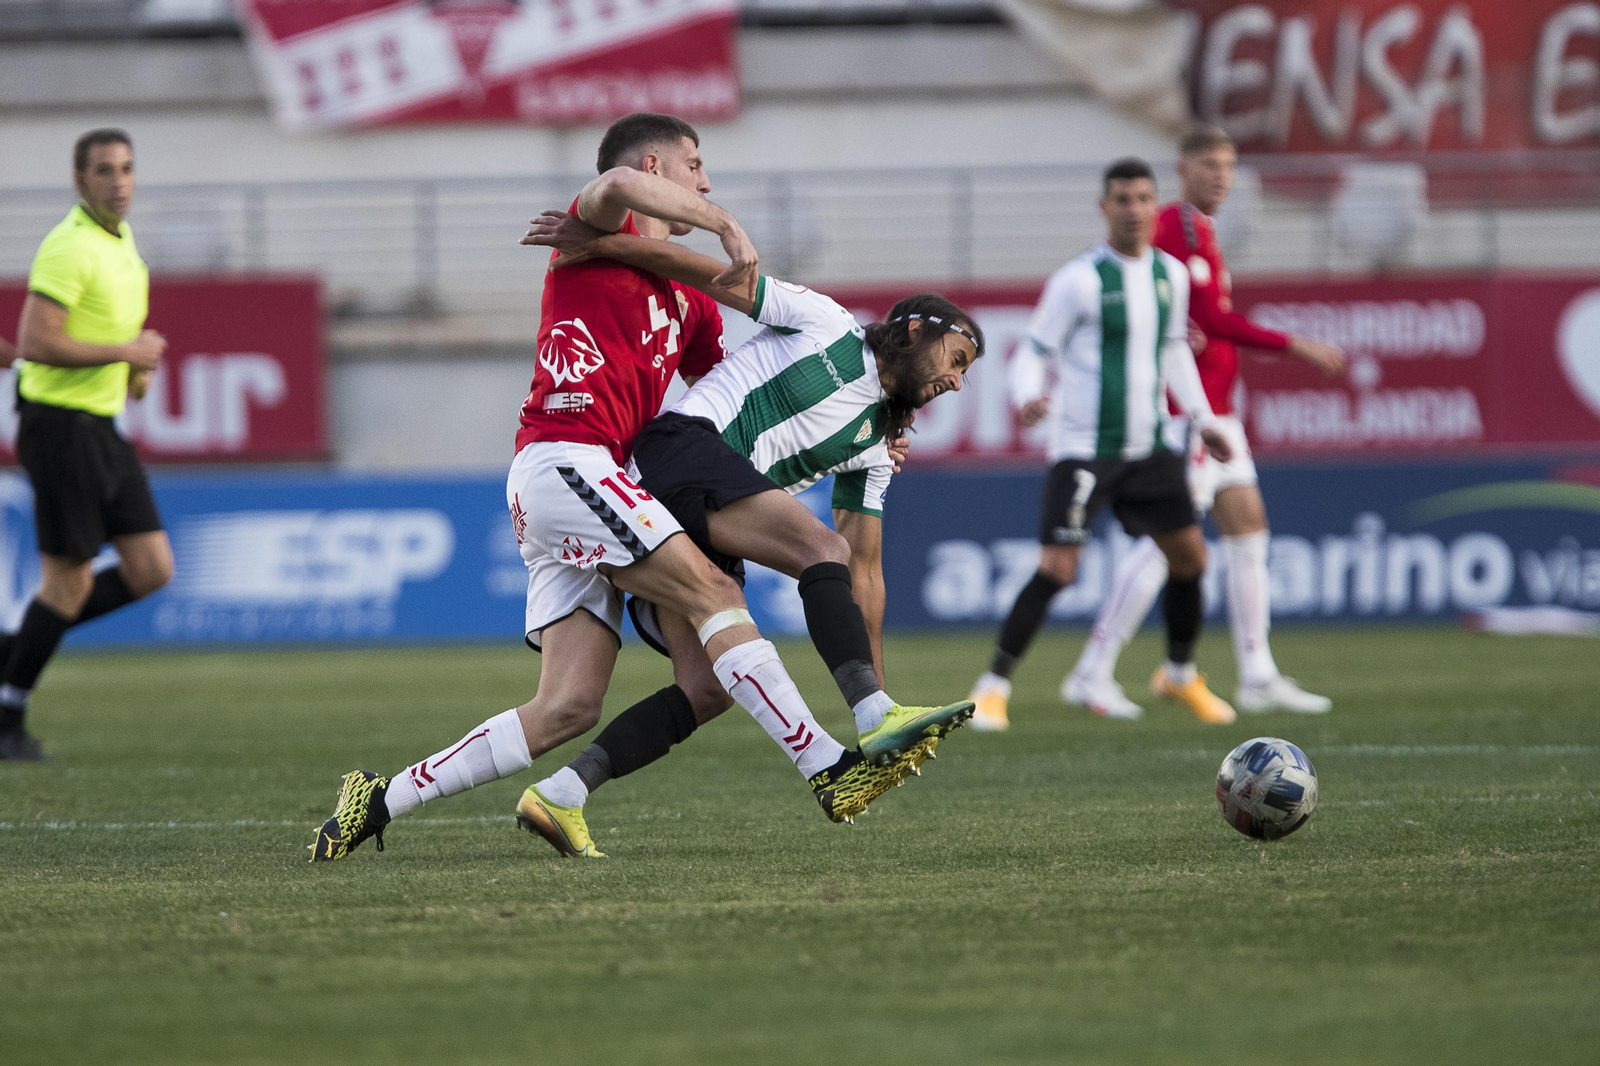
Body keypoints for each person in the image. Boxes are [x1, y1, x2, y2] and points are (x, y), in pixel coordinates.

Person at [311, 114, 944, 861]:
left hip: (590, 483)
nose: (705, 182)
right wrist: (726, 225)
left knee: (569, 706)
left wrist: (874, 425)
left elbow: (743, 396)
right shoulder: (588, 237)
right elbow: (613, 185)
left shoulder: (692, 302)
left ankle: (377, 800)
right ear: (656, 166)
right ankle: (827, 768)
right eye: (695, 166)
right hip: (567, 459)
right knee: (717, 595)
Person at [513, 211, 982, 854]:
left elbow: (864, 572)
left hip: (707, 511)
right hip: (677, 452)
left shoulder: (876, 449)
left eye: (965, 374)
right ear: (914, 330)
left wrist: (880, 693)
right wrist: (600, 244)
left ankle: (563, 793)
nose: (956, 380)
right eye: (956, 359)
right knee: (820, 547)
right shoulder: (828, 324)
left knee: (706, 690)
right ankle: (865, 723)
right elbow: (715, 277)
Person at [1060, 125, 1345, 721]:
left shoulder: (1201, 231)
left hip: (1219, 412)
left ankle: (1258, 673)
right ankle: (1093, 667)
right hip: (1186, 414)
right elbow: (1210, 319)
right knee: (1170, 544)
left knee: (1248, 530)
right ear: (1183, 168)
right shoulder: (1175, 226)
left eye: (1228, 164)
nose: (1220, 174)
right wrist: (1297, 344)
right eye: (1208, 163)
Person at [969, 157, 1236, 732]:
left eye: (1143, 199)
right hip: (1085, 450)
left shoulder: (1171, 274)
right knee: (1058, 571)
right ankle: (991, 688)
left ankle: (1180, 673)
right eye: (1122, 199)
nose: (1134, 210)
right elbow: (1035, 348)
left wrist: (1203, 418)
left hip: (1149, 448)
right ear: (1104, 207)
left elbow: (1173, 350)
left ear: (1154, 205)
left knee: (1191, 559)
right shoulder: (1079, 279)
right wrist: (1028, 396)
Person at [2, 128, 172, 762]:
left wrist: (135, 369)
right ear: (79, 181)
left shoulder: (124, 245)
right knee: (66, 584)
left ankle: (15, 645)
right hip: (58, 425)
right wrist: (126, 351)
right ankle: (7, 715)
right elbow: (37, 342)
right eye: (104, 170)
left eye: (127, 168)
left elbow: (107, 345)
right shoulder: (67, 247)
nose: (118, 181)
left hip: (100, 426)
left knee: (151, 569)